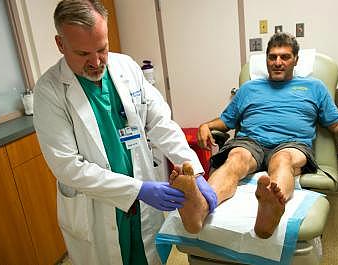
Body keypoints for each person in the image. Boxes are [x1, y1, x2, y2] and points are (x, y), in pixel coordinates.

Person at [33, 1, 217, 264]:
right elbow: (67, 166)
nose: (97, 62)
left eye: (102, 49)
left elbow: (160, 121)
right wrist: (138, 189)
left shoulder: (126, 68)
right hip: (96, 209)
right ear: (60, 44)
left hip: (141, 207)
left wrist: (194, 169)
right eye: (83, 54)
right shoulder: (49, 91)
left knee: (148, 257)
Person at [170, 32, 338, 239]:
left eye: (285, 57)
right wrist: (205, 125)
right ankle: (200, 207)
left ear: (296, 60)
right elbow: (225, 121)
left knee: (283, 160)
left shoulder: (314, 88)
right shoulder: (248, 89)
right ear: (266, 60)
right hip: (250, 142)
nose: (278, 62)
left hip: (291, 144)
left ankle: (271, 207)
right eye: (272, 57)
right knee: (235, 158)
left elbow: (336, 124)